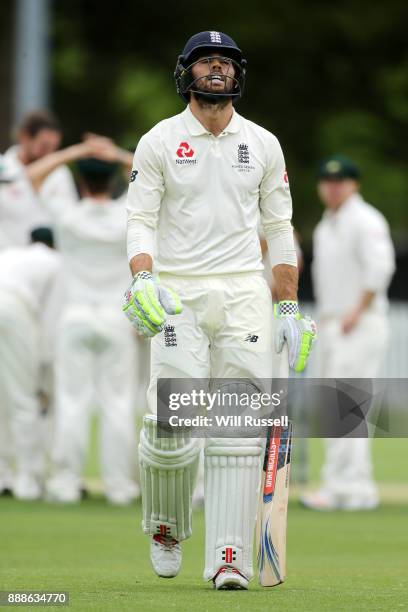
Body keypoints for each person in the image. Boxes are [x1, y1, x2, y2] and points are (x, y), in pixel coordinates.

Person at [123, 31, 316, 590]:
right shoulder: (159, 140)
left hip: (241, 292)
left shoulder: (262, 143)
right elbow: (140, 218)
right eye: (206, 62)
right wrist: (142, 277)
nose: (217, 70)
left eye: (226, 63)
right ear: (185, 72)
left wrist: (287, 307)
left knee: (235, 428)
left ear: (239, 76)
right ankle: (165, 526)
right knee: (172, 421)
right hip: (177, 291)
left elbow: (279, 228)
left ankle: (228, 555)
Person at [27, 138, 143, 505]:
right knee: (118, 403)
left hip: (74, 316)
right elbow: (156, 176)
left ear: (80, 183)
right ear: (113, 182)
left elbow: (31, 178)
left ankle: (64, 484)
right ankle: (119, 487)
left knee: (72, 401)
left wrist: (77, 152)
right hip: (115, 318)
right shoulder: (127, 213)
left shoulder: (68, 215)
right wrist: (119, 156)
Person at [300, 155, 395, 511]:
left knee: (349, 405)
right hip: (332, 322)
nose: (333, 187)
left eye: (340, 181)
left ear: (353, 184)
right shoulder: (328, 223)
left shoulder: (365, 219)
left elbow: (380, 267)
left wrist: (357, 310)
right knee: (333, 406)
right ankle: (339, 485)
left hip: (359, 321)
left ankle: (354, 488)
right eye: (327, 181)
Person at [0, 228, 61, 499]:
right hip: (14, 310)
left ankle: (4, 476)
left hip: (10, 303)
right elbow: (49, 321)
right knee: (23, 399)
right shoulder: (57, 263)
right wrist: (43, 374)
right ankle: (27, 481)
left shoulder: (12, 254)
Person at [0, 110, 77, 249]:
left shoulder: (61, 173)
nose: (50, 154)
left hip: (49, 262)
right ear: (23, 136)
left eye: (54, 148)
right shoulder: (2, 168)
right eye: (44, 146)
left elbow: (70, 219)